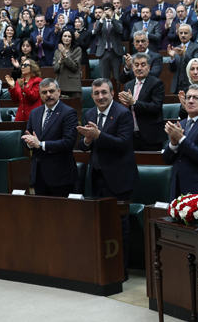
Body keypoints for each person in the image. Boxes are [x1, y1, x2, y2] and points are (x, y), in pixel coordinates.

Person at [77, 79, 139, 274]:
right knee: (100, 223)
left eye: (104, 92)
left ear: (112, 93)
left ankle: (120, 270)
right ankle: (103, 267)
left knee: (119, 225)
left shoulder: (123, 113)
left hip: (119, 178)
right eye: (96, 93)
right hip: (96, 177)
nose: (100, 97)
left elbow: (122, 144)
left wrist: (97, 135)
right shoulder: (89, 113)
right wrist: (87, 140)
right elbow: (83, 145)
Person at [21, 78, 79, 197]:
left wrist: (40, 144)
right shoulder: (35, 113)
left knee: (61, 214)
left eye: (51, 91)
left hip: (61, 176)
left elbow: (68, 142)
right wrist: (29, 142)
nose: (48, 95)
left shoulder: (68, 113)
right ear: (40, 94)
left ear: (59, 91)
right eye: (44, 92)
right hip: (39, 175)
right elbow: (28, 137)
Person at [118, 53, 166, 152]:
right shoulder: (128, 85)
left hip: (151, 137)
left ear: (149, 67)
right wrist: (124, 105)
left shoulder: (157, 84)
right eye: (136, 65)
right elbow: (127, 109)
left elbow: (156, 107)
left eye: (143, 65)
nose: (139, 68)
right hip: (131, 136)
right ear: (132, 67)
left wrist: (134, 102)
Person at [167, 24, 198, 93]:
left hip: (190, 84)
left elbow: (196, 63)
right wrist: (172, 58)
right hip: (177, 85)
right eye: (181, 33)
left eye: (185, 33)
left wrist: (184, 55)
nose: (183, 35)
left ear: (191, 35)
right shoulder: (176, 48)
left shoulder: (197, 47)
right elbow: (171, 70)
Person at [95, 5, 124, 80]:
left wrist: (111, 18)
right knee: (104, 77)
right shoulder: (100, 22)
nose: (107, 12)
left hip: (115, 52)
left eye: (109, 10)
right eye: (105, 10)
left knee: (117, 77)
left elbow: (119, 30)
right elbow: (96, 32)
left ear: (113, 12)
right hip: (103, 52)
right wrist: (102, 18)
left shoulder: (117, 21)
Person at [52, 30, 82, 98]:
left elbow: (75, 67)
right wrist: (60, 60)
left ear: (72, 39)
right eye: (65, 36)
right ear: (61, 38)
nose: (66, 38)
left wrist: (65, 56)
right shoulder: (57, 52)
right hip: (60, 84)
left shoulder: (77, 50)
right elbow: (55, 69)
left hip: (73, 85)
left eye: (69, 36)